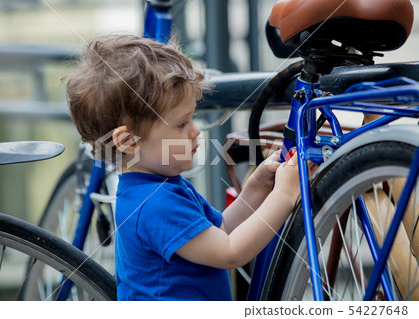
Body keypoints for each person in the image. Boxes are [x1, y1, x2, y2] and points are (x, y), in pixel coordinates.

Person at [65, 34, 306, 301]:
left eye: (192, 118)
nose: (195, 131)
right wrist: (284, 196)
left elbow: (221, 229)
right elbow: (230, 252)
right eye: (181, 124)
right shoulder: (155, 204)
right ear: (128, 141)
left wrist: (256, 190)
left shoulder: (162, 186)